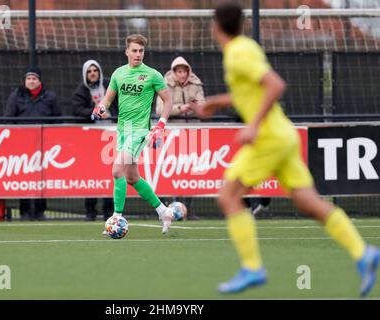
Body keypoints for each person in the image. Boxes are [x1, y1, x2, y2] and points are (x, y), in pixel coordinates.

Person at [190, 3, 379, 296]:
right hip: (283, 135)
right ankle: (363, 252)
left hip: (268, 138)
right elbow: (249, 90)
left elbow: (275, 85)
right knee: (308, 203)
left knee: (228, 196)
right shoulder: (244, 47)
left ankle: (252, 267)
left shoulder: (238, 52)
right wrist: (214, 103)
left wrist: (252, 125)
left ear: (216, 26)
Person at [92, 34, 175, 234]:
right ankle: (163, 211)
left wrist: (161, 125)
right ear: (127, 52)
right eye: (134, 50)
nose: (138, 54)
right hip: (122, 131)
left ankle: (116, 218)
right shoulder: (118, 74)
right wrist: (100, 108)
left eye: (141, 51)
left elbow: (168, 100)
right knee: (132, 178)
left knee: (116, 170)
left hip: (139, 132)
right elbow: (108, 100)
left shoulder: (152, 75)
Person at [5, 66, 61, 221]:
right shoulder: (16, 96)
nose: (31, 81)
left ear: (39, 80)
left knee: (42, 177)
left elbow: (58, 118)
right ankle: (24, 211)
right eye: (28, 78)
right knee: (24, 178)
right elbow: (9, 119)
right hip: (22, 144)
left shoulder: (50, 96)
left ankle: (40, 211)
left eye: (34, 78)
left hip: (44, 144)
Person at [155, 57, 205, 219]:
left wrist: (191, 107)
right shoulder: (164, 85)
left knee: (190, 172)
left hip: (193, 133)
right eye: (179, 71)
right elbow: (160, 108)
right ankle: (169, 209)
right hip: (172, 135)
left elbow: (202, 104)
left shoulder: (196, 84)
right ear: (174, 72)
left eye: (184, 71)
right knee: (171, 171)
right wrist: (179, 109)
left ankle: (186, 210)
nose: (182, 75)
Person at [72, 59, 117, 221]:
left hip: (111, 135)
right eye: (89, 71)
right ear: (85, 74)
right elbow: (77, 109)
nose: (92, 74)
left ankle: (109, 210)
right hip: (91, 138)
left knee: (110, 173)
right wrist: (94, 113)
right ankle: (90, 211)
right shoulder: (81, 90)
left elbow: (119, 103)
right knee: (91, 174)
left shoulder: (109, 85)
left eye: (95, 70)